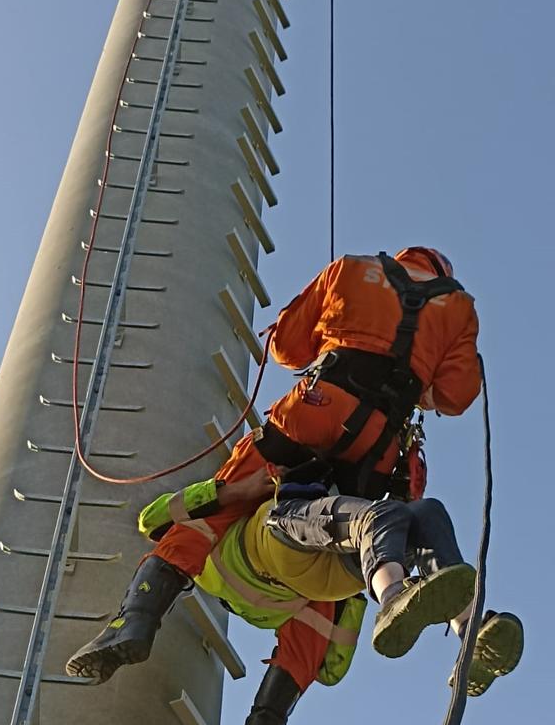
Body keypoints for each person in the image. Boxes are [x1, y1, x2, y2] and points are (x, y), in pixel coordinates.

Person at [65, 247, 483, 674]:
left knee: (210, 514)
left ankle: (134, 621)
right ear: (442, 272)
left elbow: (286, 347)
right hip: (378, 443)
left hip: (319, 408)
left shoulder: (353, 269)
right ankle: (461, 625)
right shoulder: (459, 307)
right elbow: (455, 396)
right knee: (371, 528)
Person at [66, 470, 523, 725]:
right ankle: (139, 626)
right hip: (257, 559)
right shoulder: (262, 494)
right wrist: (238, 491)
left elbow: (154, 517)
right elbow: (333, 669)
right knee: (194, 532)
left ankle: (470, 629)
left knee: (425, 516)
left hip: (278, 575)